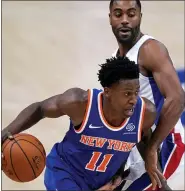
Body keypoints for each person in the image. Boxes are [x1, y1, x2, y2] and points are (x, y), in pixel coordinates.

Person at [2, 57, 163, 190]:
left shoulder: (145, 113)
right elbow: (39, 109)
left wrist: (152, 162)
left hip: (102, 181)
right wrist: (5, 133)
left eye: (136, 92)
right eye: (127, 93)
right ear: (107, 92)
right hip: (65, 173)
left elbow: (143, 137)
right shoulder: (79, 103)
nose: (134, 100)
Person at [109, 0, 185, 190]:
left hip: (164, 144)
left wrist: (152, 148)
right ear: (110, 18)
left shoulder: (150, 50)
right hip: (136, 145)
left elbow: (177, 99)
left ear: (140, 17)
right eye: (118, 14)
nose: (125, 20)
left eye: (131, 14)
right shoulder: (115, 58)